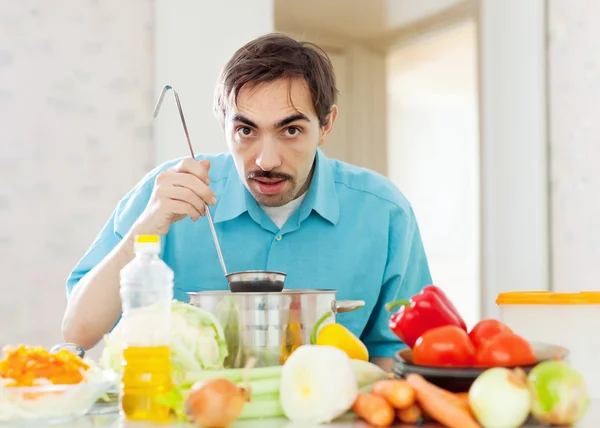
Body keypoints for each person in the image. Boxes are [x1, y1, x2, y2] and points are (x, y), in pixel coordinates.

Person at [62, 33, 432, 371]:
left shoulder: (384, 213)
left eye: (291, 130)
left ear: (327, 125)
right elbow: (79, 332)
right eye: (245, 130)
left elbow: (396, 356)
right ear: (223, 123)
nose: (266, 160)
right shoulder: (163, 197)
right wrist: (145, 230)